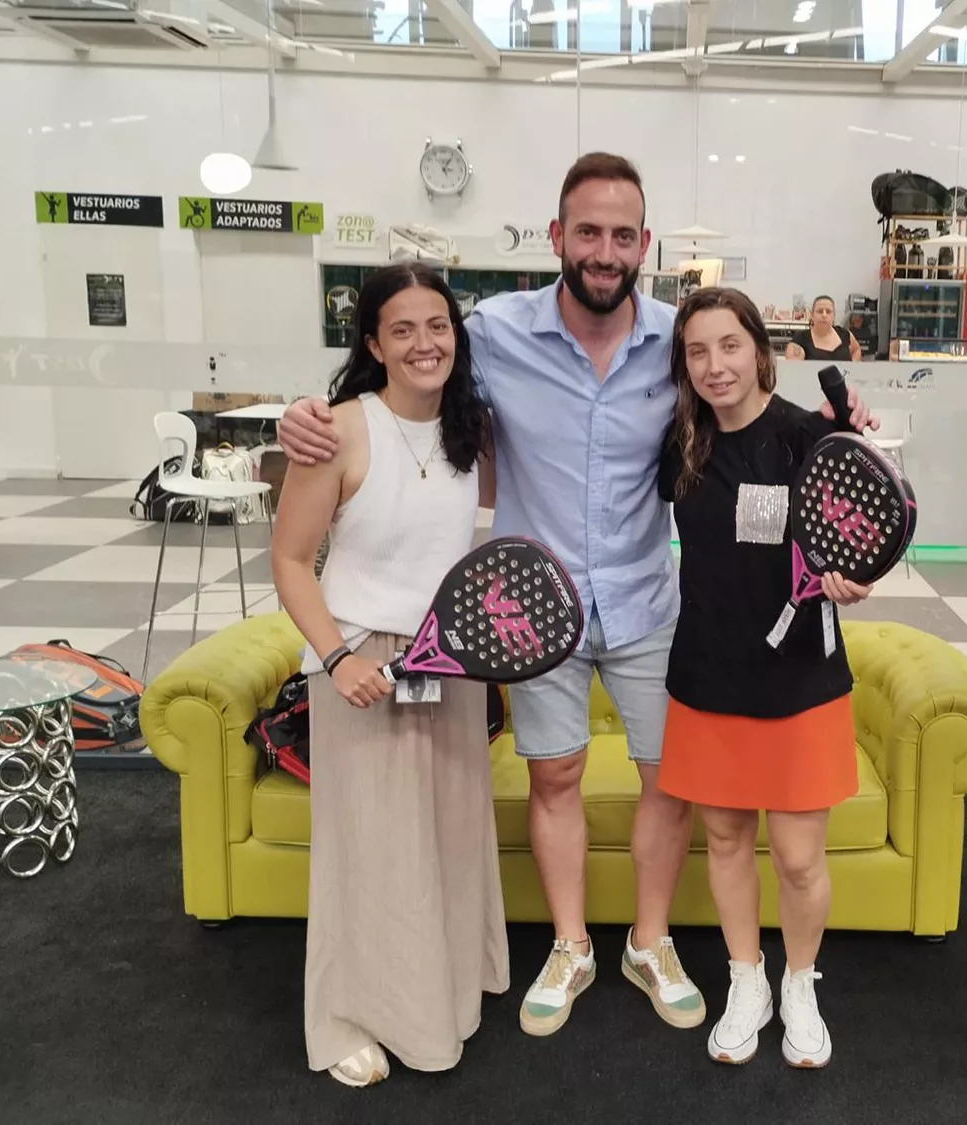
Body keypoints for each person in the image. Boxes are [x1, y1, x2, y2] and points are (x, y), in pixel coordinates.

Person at [275, 152, 874, 1041]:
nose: (604, 249)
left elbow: (750, 417)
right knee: (553, 773)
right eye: (587, 231)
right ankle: (568, 944)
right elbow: (414, 379)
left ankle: (649, 940)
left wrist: (834, 437)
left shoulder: (681, 342)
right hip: (533, 609)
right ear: (557, 237)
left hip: (647, 604)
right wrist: (313, 412)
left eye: (622, 234)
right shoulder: (495, 332)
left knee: (668, 783)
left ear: (645, 244)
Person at [270, 261, 508, 1086]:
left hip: (450, 660)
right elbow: (292, 561)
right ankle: (345, 1018)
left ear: (456, 334)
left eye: (437, 325)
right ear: (372, 340)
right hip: (361, 662)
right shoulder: (336, 429)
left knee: (442, 837)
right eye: (401, 329)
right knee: (368, 848)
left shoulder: (473, 431)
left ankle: (435, 996)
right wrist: (336, 659)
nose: (423, 343)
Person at [657, 287, 871, 1068]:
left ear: (759, 348)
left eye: (729, 345)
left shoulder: (807, 438)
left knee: (798, 857)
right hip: (709, 671)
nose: (715, 366)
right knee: (722, 838)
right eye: (697, 351)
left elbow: (857, 536)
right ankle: (746, 978)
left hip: (799, 678)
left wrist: (852, 576)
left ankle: (801, 982)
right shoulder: (680, 441)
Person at [784, 295, 862, 363]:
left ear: (834, 315)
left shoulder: (845, 334)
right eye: (820, 311)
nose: (824, 315)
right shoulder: (800, 339)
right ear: (812, 315)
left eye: (828, 311)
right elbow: (794, 367)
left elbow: (856, 349)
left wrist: (853, 367)